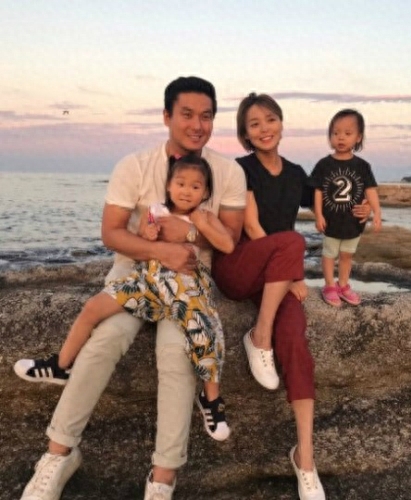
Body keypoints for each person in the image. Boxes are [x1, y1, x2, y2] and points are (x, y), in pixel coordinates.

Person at [18, 76, 246, 500]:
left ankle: (163, 478)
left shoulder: (228, 172)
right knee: (104, 340)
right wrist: (160, 250)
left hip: (187, 287)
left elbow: (230, 239)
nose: (198, 125)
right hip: (134, 278)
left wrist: (187, 235)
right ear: (166, 116)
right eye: (187, 114)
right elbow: (112, 233)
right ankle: (58, 454)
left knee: (176, 355)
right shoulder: (135, 166)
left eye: (207, 116)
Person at [212, 92, 367, 500]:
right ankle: (259, 336)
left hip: (276, 277)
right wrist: (290, 268)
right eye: (254, 124)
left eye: (270, 120)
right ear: (245, 134)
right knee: (292, 241)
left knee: (297, 341)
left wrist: (363, 209)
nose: (264, 129)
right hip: (241, 266)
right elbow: (252, 227)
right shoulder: (240, 168)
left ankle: (305, 458)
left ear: (281, 123)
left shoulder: (298, 173)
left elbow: (328, 199)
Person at [14, 154, 234, 442]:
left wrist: (199, 228)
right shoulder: (155, 210)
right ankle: (61, 365)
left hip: (185, 286)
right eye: (180, 183)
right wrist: (149, 232)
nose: (186, 191)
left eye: (195, 186)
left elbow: (227, 245)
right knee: (94, 307)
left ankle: (211, 400)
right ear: (169, 185)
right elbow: (141, 241)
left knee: (205, 331)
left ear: (205, 192)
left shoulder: (205, 216)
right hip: (149, 282)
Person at [310, 108, 381, 308]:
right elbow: (317, 191)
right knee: (329, 254)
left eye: (347, 133)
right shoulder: (324, 165)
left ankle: (343, 285)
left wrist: (376, 212)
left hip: (353, 222)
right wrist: (318, 215)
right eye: (335, 133)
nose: (341, 137)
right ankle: (329, 286)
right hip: (331, 222)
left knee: (347, 255)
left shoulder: (362, 166)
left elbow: (370, 191)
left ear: (358, 138)